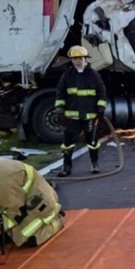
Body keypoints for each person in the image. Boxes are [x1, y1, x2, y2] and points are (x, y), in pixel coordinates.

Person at [54, 45, 108, 176]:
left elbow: (102, 92)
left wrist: (101, 108)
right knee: (68, 143)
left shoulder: (93, 75)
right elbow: (60, 93)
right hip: (72, 118)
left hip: (89, 116)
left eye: (79, 58)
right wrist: (59, 109)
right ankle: (66, 168)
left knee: (92, 142)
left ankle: (94, 164)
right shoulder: (67, 75)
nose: (77, 61)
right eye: (74, 59)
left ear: (85, 59)